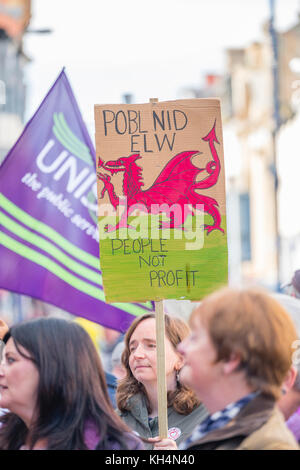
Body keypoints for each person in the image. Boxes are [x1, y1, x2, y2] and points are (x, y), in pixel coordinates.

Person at [153, 288, 300, 450]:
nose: (181, 347)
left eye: (195, 338)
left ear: (231, 357)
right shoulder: (222, 428)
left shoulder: (268, 445)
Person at [0, 317, 143, 450]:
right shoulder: (7, 437)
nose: (1, 371)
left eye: (11, 360)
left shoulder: (117, 446)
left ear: (53, 368)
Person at [116, 312, 208, 450]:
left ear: (181, 357)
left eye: (151, 345)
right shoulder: (116, 420)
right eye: (132, 348)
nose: (137, 355)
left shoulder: (206, 414)